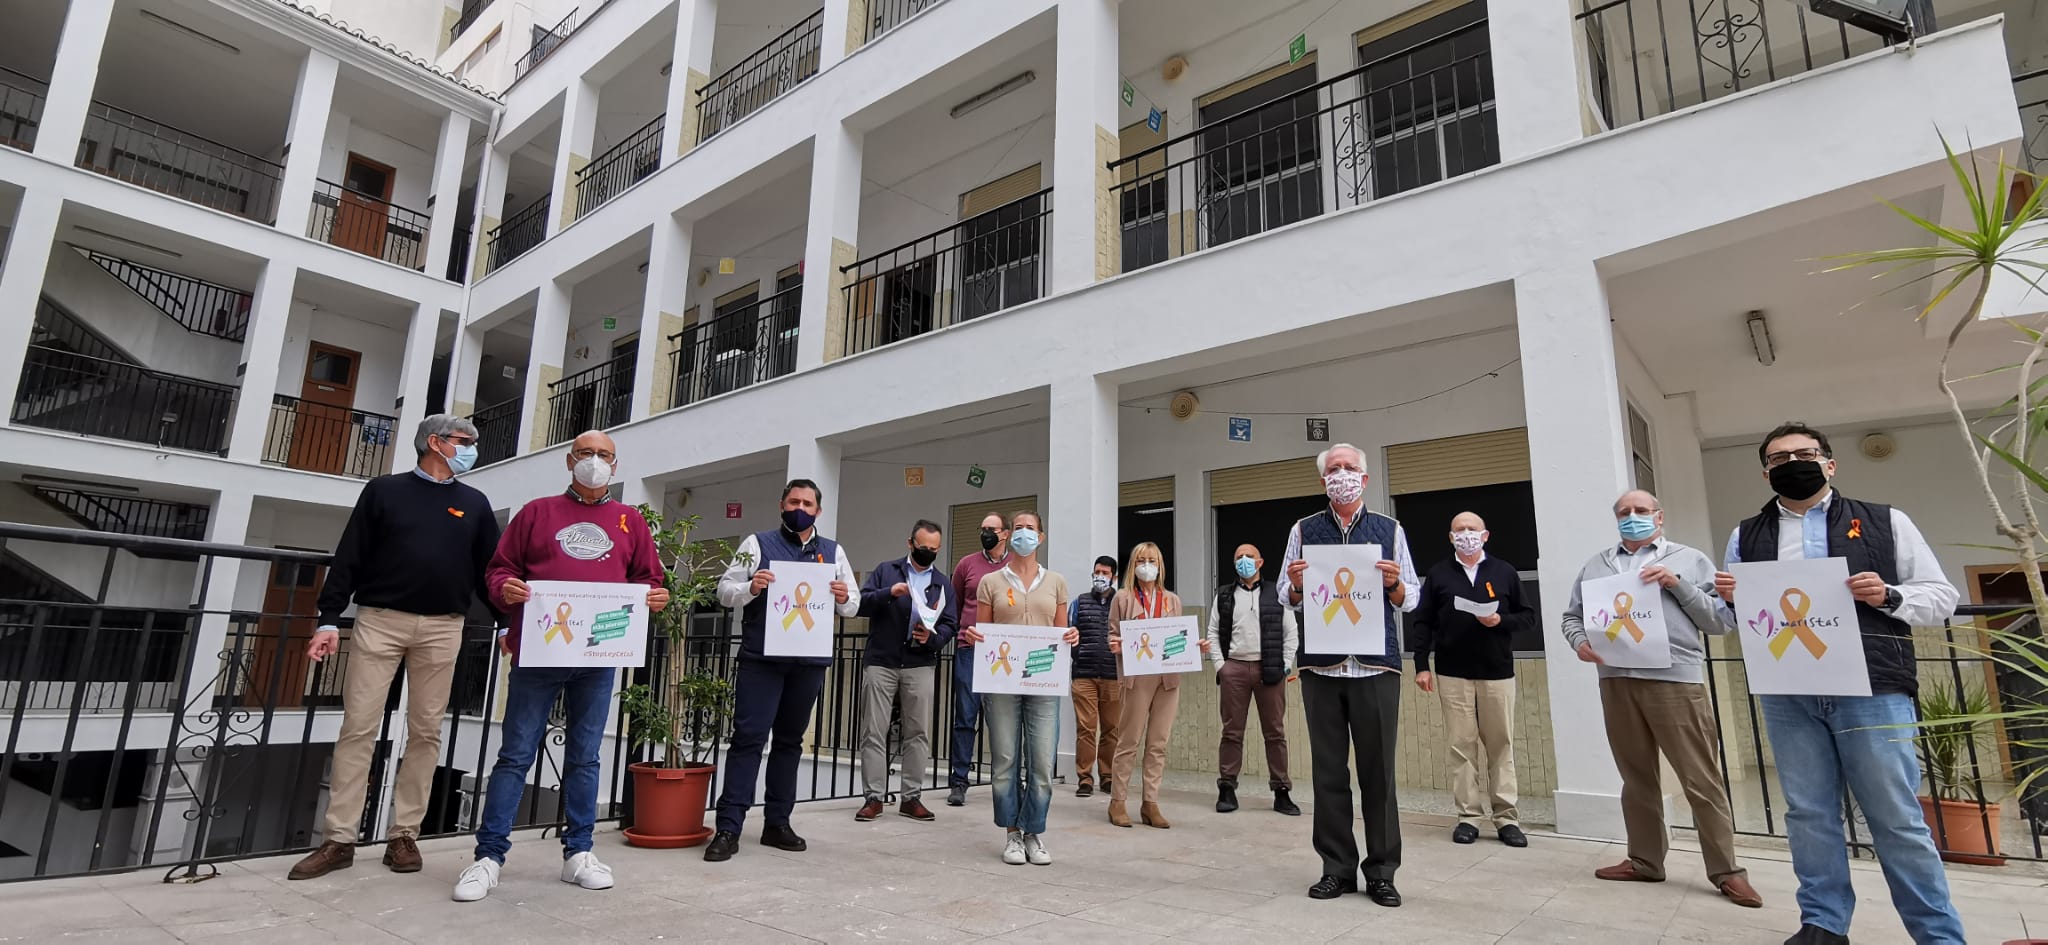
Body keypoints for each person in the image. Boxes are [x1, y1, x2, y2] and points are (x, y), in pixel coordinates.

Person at [1716, 423, 1964, 945]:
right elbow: (1738, 617)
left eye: (1805, 453)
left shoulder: (1885, 521)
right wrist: (1732, 600)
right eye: (1779, 458)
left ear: (1830, 463)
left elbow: (1941, 596)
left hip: (1872, 687)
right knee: (1808, 814)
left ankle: (1939, 935)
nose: (1792, 462)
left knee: (1895, 817)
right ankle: (1824, 924)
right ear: (1766, 472)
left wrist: (1888, 595)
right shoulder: (1746, 535)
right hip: (1789, 690)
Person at [453, 431, 669, 902]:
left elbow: (648, 578)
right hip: (539, 651)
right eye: (587, 454)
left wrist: (656, 595)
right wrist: (505, 588)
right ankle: (488, 857)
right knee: (515, 754)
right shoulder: (536, 512)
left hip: (597, 657)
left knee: (586, 755)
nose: (595, 462)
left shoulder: (630, 520)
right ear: (570, 460)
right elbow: (498, 569)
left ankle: (579, 853)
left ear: (616, 464)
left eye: (605, 455)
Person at [288, 415, 500, 881]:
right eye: (462, 440)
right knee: (358, 727)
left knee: (426, 732)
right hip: (380, 622)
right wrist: (328, 619)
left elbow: (491, 573)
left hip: (444, 628)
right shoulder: (383, 491)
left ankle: (404, 836)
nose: (470, 447)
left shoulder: (475, 503)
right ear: (433, 442)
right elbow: (350, 555)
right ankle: (338, 840)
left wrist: (510, 625)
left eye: (472, 442)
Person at [1559, 489, 1761, 910]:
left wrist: (1677, 584)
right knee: (1636, 778)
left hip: (1675, 681)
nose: (1632, 517)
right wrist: (1579, 642)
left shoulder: (1688, 559)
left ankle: (1726, 870)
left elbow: (1720, 621)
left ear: (1659, 516)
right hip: (1616, 679)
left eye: (1641, 511)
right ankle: (1645, 860)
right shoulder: (1598, 564)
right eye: (1624, 512)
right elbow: (1572, 615)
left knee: (1700, 778)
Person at [1279, 443, 1419, 908]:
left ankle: (1382, 871)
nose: (1342, 474)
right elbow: (1284, 592)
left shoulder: (1390, 529)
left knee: (1378, 773)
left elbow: (1411, 597)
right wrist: (1297, 584)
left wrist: (1394, 583)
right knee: (1328, 772)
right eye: (1333, 469)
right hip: (1321, 666)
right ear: (1323, 482)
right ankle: (1336, 868)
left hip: (1376, 666)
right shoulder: (1303, 530)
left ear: (1365, 478)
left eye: (1350, 468)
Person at [704, 478, 861, 861]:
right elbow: (724, 592)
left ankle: (777, 823)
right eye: (794, 501)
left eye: (808, 503)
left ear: (818, 511)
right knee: (748, 740)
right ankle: (728, 827)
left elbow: (853, 604)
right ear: (781, 505)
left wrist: (843, 596)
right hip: (762, 660)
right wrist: (751, 588)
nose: (801, 508)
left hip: (808, 663)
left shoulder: (833, 552)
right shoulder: (756, 544)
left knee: (790, 742)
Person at [1410, 512, 1535, 848]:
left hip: (1497, 672)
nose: (1466, 534)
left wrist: (1500, 620)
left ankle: (1507, 818)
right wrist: (1421, 664)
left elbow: (1527, 617)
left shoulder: (1504, 571)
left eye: (1472, 529)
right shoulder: (1438, 574)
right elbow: (1422, 622)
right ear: (1451, 538)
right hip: (1453, 673)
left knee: (1500, 745)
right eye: (1460, 530)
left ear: (1486, 535)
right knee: (1461, 746)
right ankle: (1468, 817)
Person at [960, 510, 1077, 865]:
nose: (1025, 533)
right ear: (1009, 536)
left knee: (1041, 762)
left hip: (1043, 681)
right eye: (1019, 528)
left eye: (1032, 528)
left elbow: (1061, 633)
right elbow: (984, 632)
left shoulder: (1055, 581)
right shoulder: (991, 582)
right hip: (1003, 681)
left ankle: (1034, 831)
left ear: (1041, 537)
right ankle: (1011, 832)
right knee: (1005, 760)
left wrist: (1071, 635)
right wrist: (975, 635)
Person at [853, 520, 958, 822]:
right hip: (882, 661)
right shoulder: (887, 571)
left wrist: (933, 639)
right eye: (923, 547)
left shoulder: (942, 582)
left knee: (918, 733)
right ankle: (873, 797)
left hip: (919, 662)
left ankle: (911, 798)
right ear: (910, 543)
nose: (928, 553)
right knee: (873, 730)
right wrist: (889, 593)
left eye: (934, 550)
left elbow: (951, 623)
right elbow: (860, 604)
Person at [1106, 542, 1201, 828]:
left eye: (1152, 560)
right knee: (1128, 742)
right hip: (1136, 677)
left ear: (1160, 565)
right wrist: (1115, 644)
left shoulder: (1172, 599)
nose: (1147, 565)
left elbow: (1178, 637)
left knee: (1158, 743)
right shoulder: (1122, 598)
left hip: (1167, 678)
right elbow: (1112, 634)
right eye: (1141, 560)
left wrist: (1194, 645)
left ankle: (1150, 803)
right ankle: (1118, 801)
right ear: (1133, 565)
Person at [1207, 542, 1299, 817]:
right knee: (1232, 732)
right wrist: (1221, 666)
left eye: (1249, 556)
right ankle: (1227, 787)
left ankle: (1281, 791)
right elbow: (1212, 631)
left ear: (1260, 562)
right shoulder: (1224, 595)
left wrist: (1285, 665)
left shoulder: (1277, 593)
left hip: (1269, 670)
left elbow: (1290, 632)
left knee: (1275, 733)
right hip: (1234, 668)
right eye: (1238, 557)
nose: (1243, 561)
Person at [946, 512, 1011, 807]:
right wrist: (963, 632)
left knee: (1005, 719)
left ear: (1005, 533)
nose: (986, 533)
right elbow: (956, 603)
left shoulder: (1017, 566)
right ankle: (959, 780)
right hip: (970, 649)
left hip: (1006, 653)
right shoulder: (966, 565)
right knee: (965, 717)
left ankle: (1006, 779)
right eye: (982, 528)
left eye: (992, 529)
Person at [1069, 555, 1121, 798]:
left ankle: (1108, 776)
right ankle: (1085, 779)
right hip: (1084, 676)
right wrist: (1078, 654)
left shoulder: (1121, 603)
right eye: (1097, 571)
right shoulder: (1079, 602)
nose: (1100, 576)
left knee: (1112, 729)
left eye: (1105, 573)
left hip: (1113, 675)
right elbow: (1069, 632)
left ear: (1114, 577)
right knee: (1086, 729)